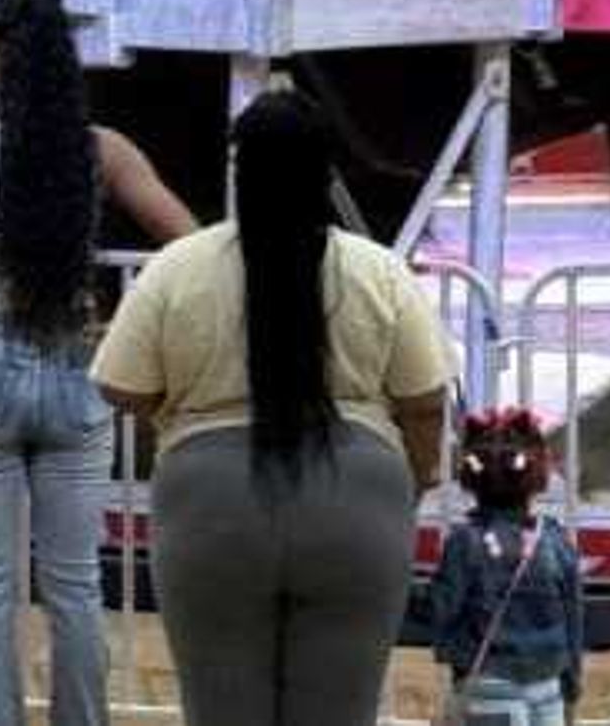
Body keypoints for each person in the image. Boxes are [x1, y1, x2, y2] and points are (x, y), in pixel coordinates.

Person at [92, 90, 457, 726]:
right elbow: (425, 399)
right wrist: (418, 477)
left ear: (239, 169)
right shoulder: (378, 270)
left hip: (207, 503)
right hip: (358, 501)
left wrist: (172, 410)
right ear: (326, 171)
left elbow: (119, 386)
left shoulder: (177, 268)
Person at [0, 0, 195, 726]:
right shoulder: (103, 152)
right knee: (75, 584)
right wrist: (131, 328)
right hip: (75, 367)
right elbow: (191, 243)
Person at [426, 408, 583, 726]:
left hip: (487, 683)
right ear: (538, 474)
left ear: (470, 476)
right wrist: (571, 681)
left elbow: (440, 611)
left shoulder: (463, 541)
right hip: (548, 685)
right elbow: (573, 618)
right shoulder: (554, 539)